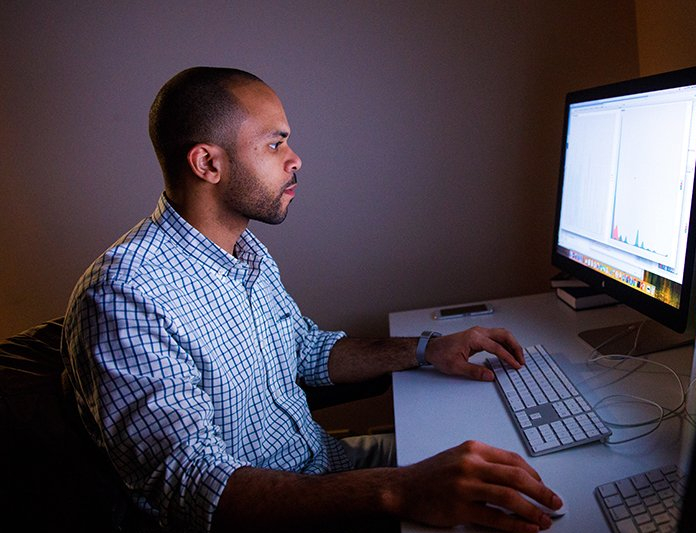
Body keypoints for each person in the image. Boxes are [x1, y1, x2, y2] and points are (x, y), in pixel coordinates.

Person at [61, 66, 562, 533]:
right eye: (275, 143)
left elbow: (306, 350)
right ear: (208, 163)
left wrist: (427, 349)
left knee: (520, 463)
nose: (295, 159)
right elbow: (192, 483)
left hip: (330, 464)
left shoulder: (244, 252)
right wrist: (400, 490)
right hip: (288, 514)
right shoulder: (126, 293)